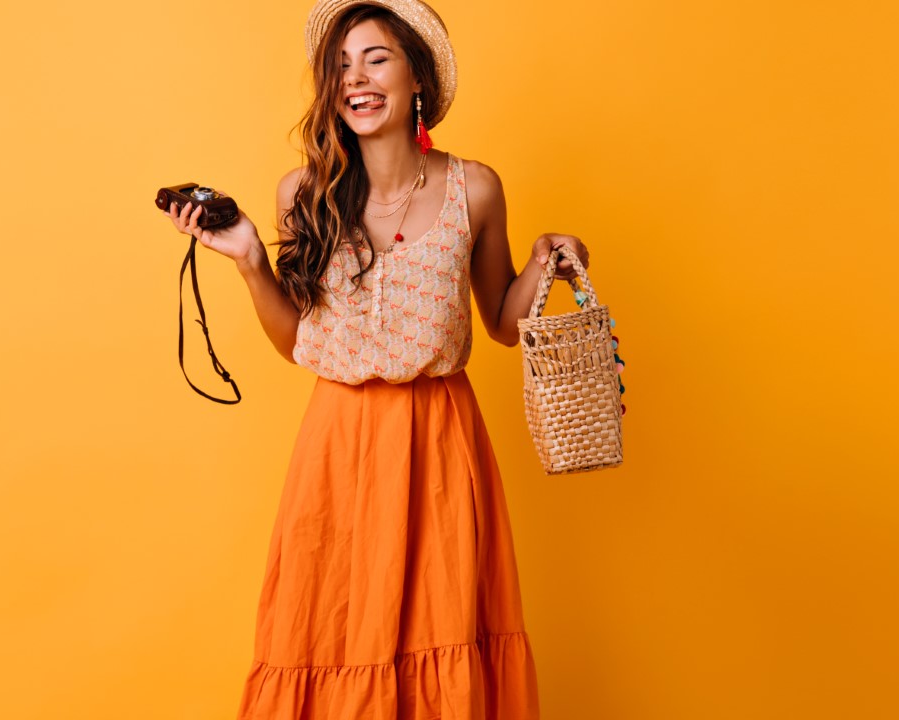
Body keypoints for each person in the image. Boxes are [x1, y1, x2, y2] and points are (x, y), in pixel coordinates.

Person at [166, 0, 589, 716]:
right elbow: (298, 342)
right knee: (328, 630)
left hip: (441, 445)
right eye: (340, 65)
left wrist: (549, 259)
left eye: (375, 58)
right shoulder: (304, 194)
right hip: (337, 447)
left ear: (416, 77)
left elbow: (501, 324)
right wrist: (247, 262)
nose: (354, 78)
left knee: (442, 628)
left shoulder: (473, 188)